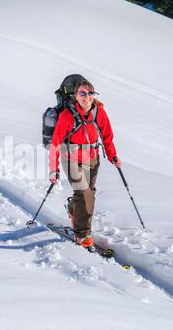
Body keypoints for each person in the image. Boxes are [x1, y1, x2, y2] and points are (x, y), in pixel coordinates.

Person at [48, 78, 122, 249]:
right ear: (75, 95)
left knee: (88, 193)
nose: (86, 97)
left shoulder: (99, 113)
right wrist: (54, 169)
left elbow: (107, 136)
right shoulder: (67, 116)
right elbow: (55, 144)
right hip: (71, 160)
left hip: (93, 160)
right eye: (82, 93)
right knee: (85, 194)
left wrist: (113, 156)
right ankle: (82, 235)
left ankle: (73, 210)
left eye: (90, 93)